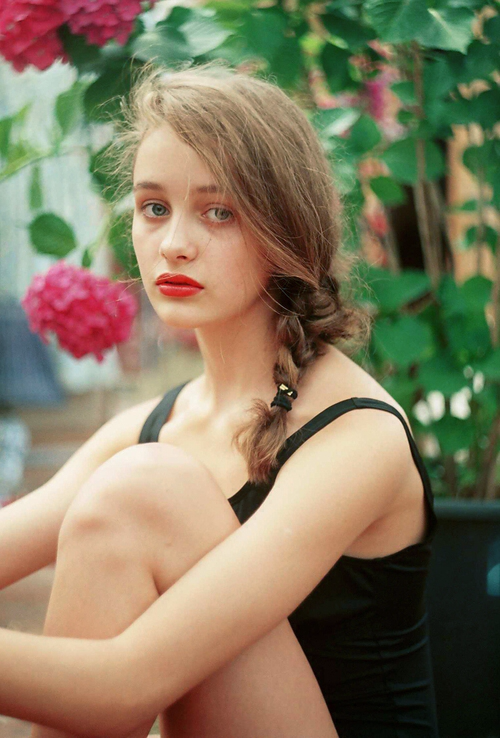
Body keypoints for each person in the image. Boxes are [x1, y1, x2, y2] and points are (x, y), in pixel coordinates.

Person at [0, 61, 439, 738]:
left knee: (147, 487)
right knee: (140, 481)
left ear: (286, 229)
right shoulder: (152, 428)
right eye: (154, 208)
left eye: (219, 212)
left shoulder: (357, 438)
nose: (174, 245)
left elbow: (121, 687)